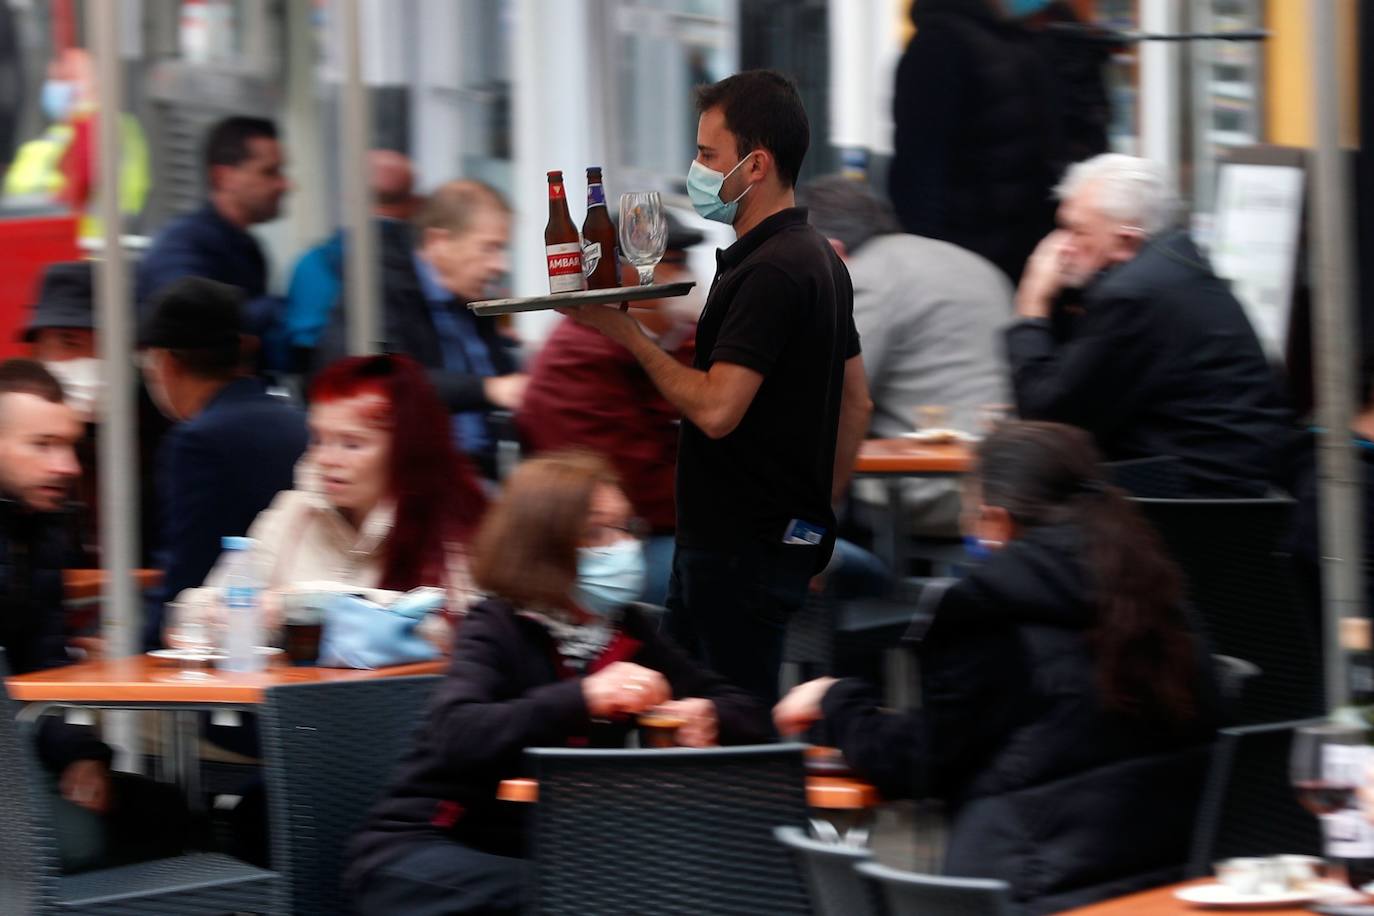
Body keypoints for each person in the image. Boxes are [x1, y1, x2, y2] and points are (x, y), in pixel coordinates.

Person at [775, 421, 1217, 914]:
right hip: (1171, 883)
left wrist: (837, 701)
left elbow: (920, 762)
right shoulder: (1162, 596)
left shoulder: (989, 612)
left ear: (998, 522)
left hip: (1026, 888)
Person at [346, 451, 773, 916]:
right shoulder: (496, 625)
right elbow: (458, 731)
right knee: (587, 897)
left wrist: (710, 716)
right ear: (543, 547)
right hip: (423, 850)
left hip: (540, 855)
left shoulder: (625, 630)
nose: (619, 547)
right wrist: (584, 695)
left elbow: (744, 708)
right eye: (595, 533)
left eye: (624, 529)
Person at [563, 70, 871, 704]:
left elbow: (717, 410)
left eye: (707, 154)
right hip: (764, 546)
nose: (696, 168)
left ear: (755, 165)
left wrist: (628, 336)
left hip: (735, 556)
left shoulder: (772, 271)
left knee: (721, 743)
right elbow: (857, 404)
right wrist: (810, 524)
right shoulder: (820, 259)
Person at [1008, 153, 1292, 496]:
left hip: (1191, 506)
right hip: (1217, 487)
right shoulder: (1172, 265)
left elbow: (1047, 418)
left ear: (1125, 241)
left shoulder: (1134, 294)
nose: (1058, 248)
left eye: (1076, 231)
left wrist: (1032, 306)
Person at [0, 359, 188, 872]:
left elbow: (41, 672)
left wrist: (81, 757)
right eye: (43, 445)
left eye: (69, 445)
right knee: (84, 841)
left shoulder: (40, 529)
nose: (69, 466)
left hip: (17, 756)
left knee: (169, 812)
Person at [175, 354, 486, 643]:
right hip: (295, 701)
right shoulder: (292, 511)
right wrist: (233, 616)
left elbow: (461, 630)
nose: (326, 458)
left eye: (352, 444)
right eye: (319, 439)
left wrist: (298, 607)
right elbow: (190, 615)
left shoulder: (457, 522)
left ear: (406, 451)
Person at [800, 175, 1011, 537]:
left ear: (832, 251)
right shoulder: (968, 262)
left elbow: (827, 397)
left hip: (924, 491)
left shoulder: (864, 279)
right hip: (1005, 481)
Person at [517, 210, 705, 604]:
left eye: (683, 263)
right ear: (610, 273)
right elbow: (641, 493)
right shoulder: (581, 358)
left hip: (661, 530)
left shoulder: (658, 340)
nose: (681, 277)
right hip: (603, 550)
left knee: (808, 553)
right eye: (668, 263)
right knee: (763, 565)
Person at [139, 277, 308, 649]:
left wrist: (137, 649)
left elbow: (188, 568)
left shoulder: (196, 441)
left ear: (166, 363)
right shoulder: (295, 420)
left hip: (227, 638)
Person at [317, 180, 527, 478]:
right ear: (438, 243)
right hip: (414, 476)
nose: (500, 265)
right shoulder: (378, 291)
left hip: (483, 473)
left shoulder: (472, 297)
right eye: (489, 248)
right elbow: (383, 378)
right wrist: (488, 389)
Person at [887, 0, 1060, 282]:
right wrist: (931, 262)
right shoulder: (938, 45)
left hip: (1023, 252)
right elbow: (918, 168)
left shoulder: (1019, 38)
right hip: (967, 256)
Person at [136, 116, 290, 350]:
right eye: (269, 172)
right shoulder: (182, 244)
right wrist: (282, 307)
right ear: (223, 177)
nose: (284, 185)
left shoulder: (248, 248)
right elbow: (188, 323)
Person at [284, 150, 422, 369]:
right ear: (414, 202)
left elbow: (301, 347)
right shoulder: (423, 265)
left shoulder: (312, 264)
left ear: (350, 196)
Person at [2, 47, 150, 239]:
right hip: (34, 237)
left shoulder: (99, 126)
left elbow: (80, 187)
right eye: (54, 79)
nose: (56, 86)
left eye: (67, 78)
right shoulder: (59, 133)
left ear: (93, 82)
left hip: (83, 242)